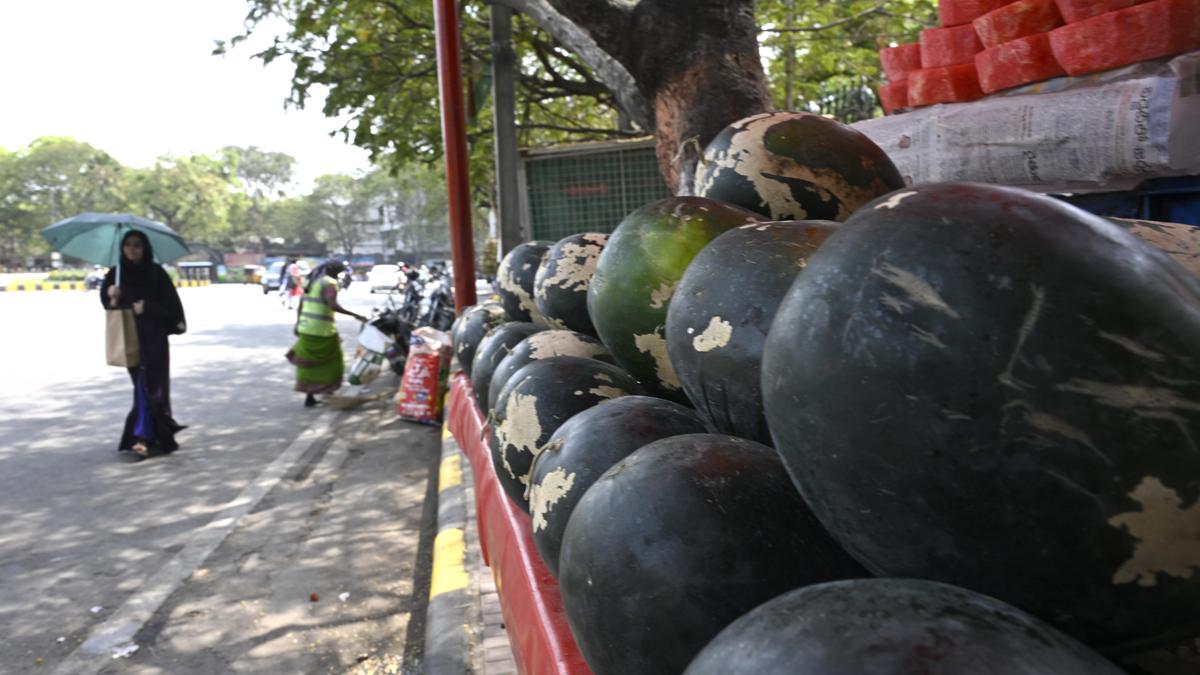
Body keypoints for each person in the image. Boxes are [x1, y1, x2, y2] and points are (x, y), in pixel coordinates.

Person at [99, 230, 188, 459]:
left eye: (137, 245)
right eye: (127, 245)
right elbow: (110, 309)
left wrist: (147, 307)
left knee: (151, 389)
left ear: (145, 248)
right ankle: (150, 434)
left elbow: (172, 311)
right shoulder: (116, 274)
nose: (132, 249)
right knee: (142, 388)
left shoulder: (156, 273)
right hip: (129, 339)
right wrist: (112, 296)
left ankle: (142, 438)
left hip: (154, 339)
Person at [286, 260, 367, 407]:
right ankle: (327, 393)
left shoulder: (312, 281)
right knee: (333, 362)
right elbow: (333, 305)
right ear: (334, 271)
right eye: (340, 272)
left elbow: (301, 305)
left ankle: (310, 397)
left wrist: (298, 324)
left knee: (308, 363)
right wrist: (356, 315)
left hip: (306, 329)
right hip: (322, 331)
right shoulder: (329, 283)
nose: (340, 275)